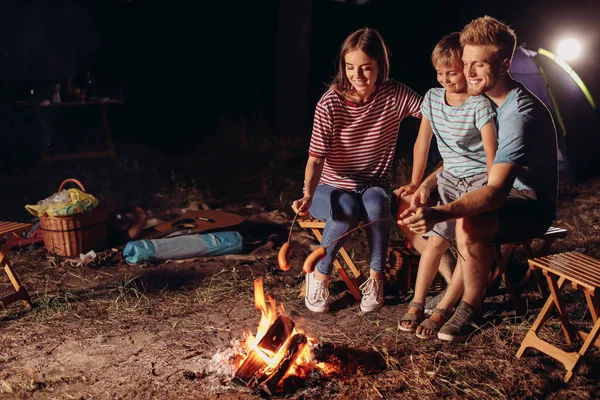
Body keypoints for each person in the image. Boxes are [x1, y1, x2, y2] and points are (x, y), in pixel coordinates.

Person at [398, 16, 558, 342]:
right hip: (498, 191)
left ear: (505, 63)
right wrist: (426, 185)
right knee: (429, 212)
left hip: (529, 202)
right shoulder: (484, 100)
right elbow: (465, 162)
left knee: (468, 223)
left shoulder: (517, 113)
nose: (469, 73)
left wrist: (441, 211)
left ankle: (471, 307)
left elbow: (496, 191)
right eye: (466, 63)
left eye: (479, 65)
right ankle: (444, 295)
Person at [292, 27, 422, 313]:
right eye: (350, 67)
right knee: (347, 210)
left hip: (373, 183)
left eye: (366, 68)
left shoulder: (394, 94)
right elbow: (315, 159)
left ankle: (376, 279)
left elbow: (433, 113)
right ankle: (319, 276)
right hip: (331, 187)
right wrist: (308, 195)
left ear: (380, 66)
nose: (357, 75)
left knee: (378, 204)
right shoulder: (331, 103)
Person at [396, 32, 497, 339]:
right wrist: (417, 182)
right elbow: (422, 144)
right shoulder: (432, 98)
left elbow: (493, 156)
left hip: (477, 182)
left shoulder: (479, 104)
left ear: (466, 70)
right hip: (449, 179)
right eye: (439, 73)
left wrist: (492, 191)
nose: (445, 80)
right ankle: (417, 302)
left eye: (451, 73)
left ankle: (444, 309)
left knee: (465, 242)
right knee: (436, 241)